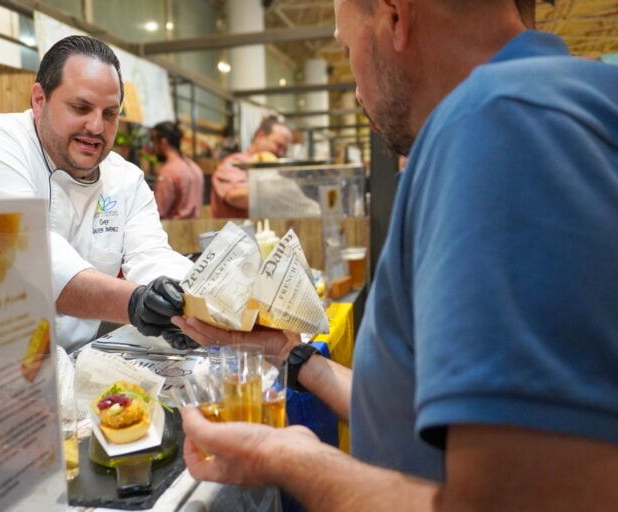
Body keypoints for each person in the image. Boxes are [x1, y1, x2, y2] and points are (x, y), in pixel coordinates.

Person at [173, 0, 618, 510]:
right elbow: (417, 420)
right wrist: (290, 355)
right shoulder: (552, 105)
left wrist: (292, 460)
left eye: (347, 46)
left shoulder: (500, 124)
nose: (358, 89)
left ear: (395, 18)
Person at [0, 35, 196, 352]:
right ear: (39, 99)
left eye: (109, 113)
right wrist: (136, 302)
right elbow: (40, 262)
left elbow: (152, 255)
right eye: (80, 107)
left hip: (73, 362)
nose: (96, 127)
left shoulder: (125, 178)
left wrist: (185, 300)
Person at [210, 115, 293, 218]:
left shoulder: (273, 168)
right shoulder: (236, 163)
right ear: (260, 136)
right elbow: (236, 196)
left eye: (285, 149)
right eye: (278, 145)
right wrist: (285, 193)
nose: (281, 153)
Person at [150, 121, 204, 219]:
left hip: (172, 232)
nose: (153, 147)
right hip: (195, 231)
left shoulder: (167, 172)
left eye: (153, 141)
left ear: (163, 142)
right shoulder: (195, 168)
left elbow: (157, 212)